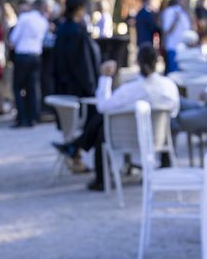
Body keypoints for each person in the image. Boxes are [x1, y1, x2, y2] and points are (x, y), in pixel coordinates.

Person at [53, 44, 180, 191]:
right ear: (157, 61)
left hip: (128, 138)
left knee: (103, 126)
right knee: (105, 122)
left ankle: (93, 168)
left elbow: (102, 106)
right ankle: (75, 147)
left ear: (138, 62)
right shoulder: (169, 85)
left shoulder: (131, 89)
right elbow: (174, 112)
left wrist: (106, 78)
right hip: (160, 137)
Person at [9, 0, 50, 127]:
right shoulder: (43, 21)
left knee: (17, 87)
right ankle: (32, 117)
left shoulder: (24, 18)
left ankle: (22, 117)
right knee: (32, 88)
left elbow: (13, 38)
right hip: (36, 56)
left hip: (23, 55)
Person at [161, 0, 193, 73]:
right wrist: (175, 20)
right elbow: (167, 30)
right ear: (178, 0)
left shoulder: (185, 12)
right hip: (173, 47)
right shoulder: (170, 11)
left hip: (184, 48)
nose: (187, 3)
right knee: (173, 73)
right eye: (185, 0)